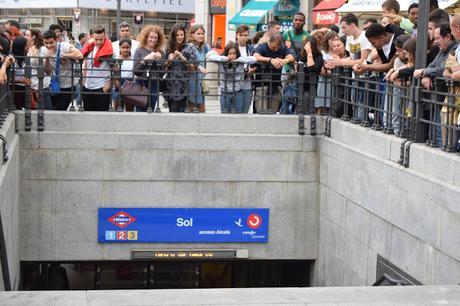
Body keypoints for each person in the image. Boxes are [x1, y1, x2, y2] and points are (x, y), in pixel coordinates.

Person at [414, 23, 457, 146]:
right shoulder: (442, 50)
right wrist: (427, 74)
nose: (435, 41)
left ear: (447, 37)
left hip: (448, 99)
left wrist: (424, 72)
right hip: (439, 99)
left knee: (444, 137)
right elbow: (432, 66)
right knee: (438, 133)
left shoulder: (454, 49)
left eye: (437, 38)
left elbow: (444, 69)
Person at [328, 13, 372, 122]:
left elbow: (363, 60)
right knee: (354, 103)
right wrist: (336, 62)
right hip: (354, 76)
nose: (342, 30)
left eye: (344, 27)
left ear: (352, 25)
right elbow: (351, 59)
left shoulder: (365, 37)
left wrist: (340, 63)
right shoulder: (349, 38)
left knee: (362, 106)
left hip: (366, 76)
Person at [206, 41, 256, 113]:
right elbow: (208, 56)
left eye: (234, 53)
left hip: (238, 91)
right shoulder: (222, 61)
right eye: (229, 53)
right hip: (225, 92)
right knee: (225, 114)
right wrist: (225, 59)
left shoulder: (240, 61)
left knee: (237, 114)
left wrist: (238, 59)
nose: (232, 56)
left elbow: (254, 59)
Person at [253, 33, 296, 113]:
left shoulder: (282, 48)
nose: (276, 50)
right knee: (261, 112)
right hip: (262, 85)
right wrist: (271, 60)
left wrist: (284, 61)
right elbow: (255, 56)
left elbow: (292, 56)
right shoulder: (263, 46)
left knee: (273, 113)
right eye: (273, 47)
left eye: (277, 48)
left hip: (276, 85)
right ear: (269, 42)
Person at [42, 30, 83, 110]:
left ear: (56, 40)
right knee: (51, 110)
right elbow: (48, 72)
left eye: (51, 42)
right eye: (46, 43)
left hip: (67, 86)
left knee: (59, 110)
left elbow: (79, 55)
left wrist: (65, 56)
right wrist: (47, 59)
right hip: (53, 85)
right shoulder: (44, 50)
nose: (48, 45)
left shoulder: (64, 46)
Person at [163, 23, 195, 112]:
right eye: (177, 35)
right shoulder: (169, 48)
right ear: (173, 36)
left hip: (184, 86)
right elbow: (163, 67)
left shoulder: (189, 48)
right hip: (171, 86)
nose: (180, 37)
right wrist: (169, 60)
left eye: (181, 34)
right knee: (173, 112)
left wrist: (182, 57)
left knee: (184, 114)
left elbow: (193, 69)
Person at [133, 24, 165, 112]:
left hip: (154, 83)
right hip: (141, 83)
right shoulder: (139, 50)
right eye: (151, 37)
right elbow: (135, 71)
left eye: (156, 38)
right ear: (146, 37)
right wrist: (145, 60)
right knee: (140, 110)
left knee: (150, 110)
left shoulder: (161, 52)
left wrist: (159, 61)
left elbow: (162, 73)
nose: (153, 40)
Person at [81, 25, 114, 111]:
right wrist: (83, 82)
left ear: (105, 37)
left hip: (101, 88)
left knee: (101, 118)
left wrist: (109, 84)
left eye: (101, 39)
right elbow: (86, 65)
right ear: (92, 37)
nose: (99, 42)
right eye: (96, 39)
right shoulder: (89, 47)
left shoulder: (110, 50)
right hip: (87, 87)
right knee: (88, 116)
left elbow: (116, 68)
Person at [184, 24, 210, 113]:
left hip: (200, 80)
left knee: (201, 106)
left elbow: (211, 53)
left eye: (202, 33)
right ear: (192, 34)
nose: (201, 36)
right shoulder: (190, 46)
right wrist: (199, 67)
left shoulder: (204, 46)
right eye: (198, 34)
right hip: (192, 79)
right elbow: (188, 60)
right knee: (193, 105)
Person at [235, 24, 256, 113]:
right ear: (236, 35)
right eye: (241, 35)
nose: (243, 38)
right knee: (236, 109)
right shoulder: (232, 47)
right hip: (235, 81)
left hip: (248, 81)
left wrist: (252, 70)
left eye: (245, 35)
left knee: (246, 109)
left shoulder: (251, 48)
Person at [113, 38, 134, 111]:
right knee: (117, 111)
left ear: (130, 48)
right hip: (118, 87)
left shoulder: (133, 60)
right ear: (119, 47)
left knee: (130, 111)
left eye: (127, 47)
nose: (125, 50)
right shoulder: (116, 60)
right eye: (123, 47)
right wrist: (120, 88)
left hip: (130, 88)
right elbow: (114, 77)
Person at [11, 36, 31, 109]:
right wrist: (21, 80)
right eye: (26, 46)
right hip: (15, 90)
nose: (28, 47)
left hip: (23, 88)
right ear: (20, 47)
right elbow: (8, 78)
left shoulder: (24, 58)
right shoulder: (13, 60)